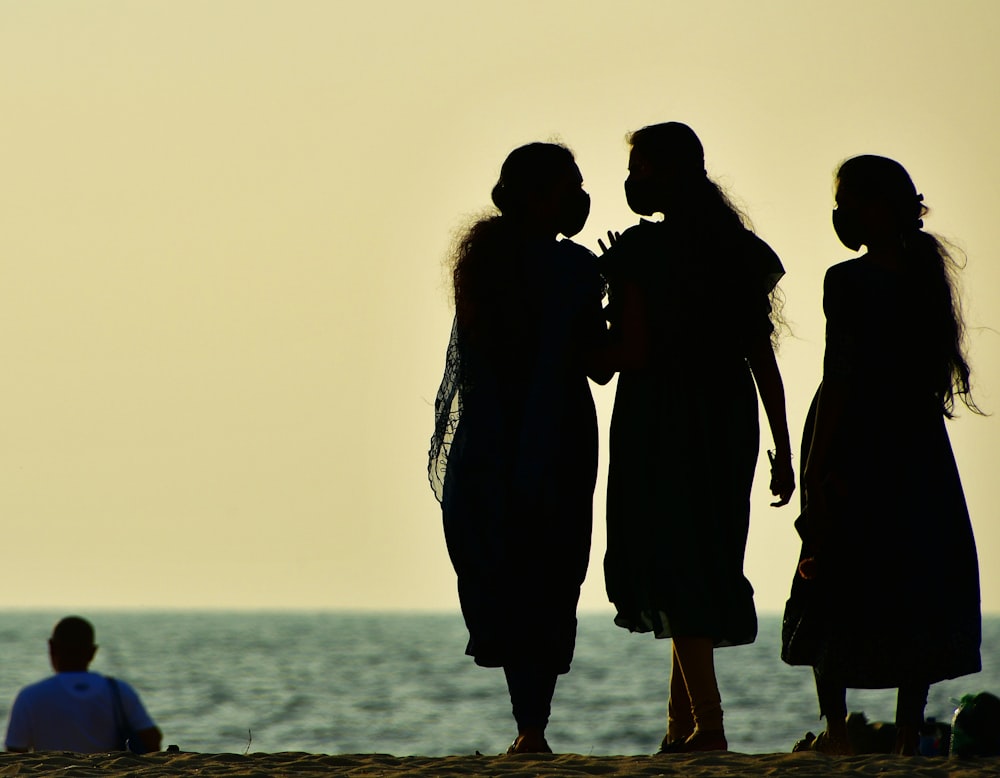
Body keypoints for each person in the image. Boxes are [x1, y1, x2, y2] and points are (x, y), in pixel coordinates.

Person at [598, 122, 795, 753]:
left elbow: (620, 353)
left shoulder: (639, 252)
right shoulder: (736, 249)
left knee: (673, 565)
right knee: (702, 562)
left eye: (639, 168)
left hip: (659, 417)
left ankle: (706, 726)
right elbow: (759, 354)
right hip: (726, 417)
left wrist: (596, 297)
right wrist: (783, 445)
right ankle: (679, 728)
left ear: (663, 170)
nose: (631, 181)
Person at [781, 154, 981, 755]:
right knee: (911, 580)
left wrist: (817, 465)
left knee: (832, 575)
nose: (838, 212)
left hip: (856, 443)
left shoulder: (847, 280)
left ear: (873, 207)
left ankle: (837, 729)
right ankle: (906, 732)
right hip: (916, 451)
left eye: (845, 200)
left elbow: (839, 377)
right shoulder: (924, 277)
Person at [428, 142, 611, 754]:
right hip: (555, 441)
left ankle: (526, 727)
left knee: (508, 577)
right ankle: (534, 728)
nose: (582, 199)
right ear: (540, 197)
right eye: (571, 188)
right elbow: (599, 366)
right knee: (552, 578)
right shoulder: (576, 270)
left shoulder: (481, 260)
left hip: (488, 444)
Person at [5, 616, 162, 753]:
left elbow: (15, 749)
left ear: (52, 647)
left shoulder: (30, 695)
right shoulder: (118, 690)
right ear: (92, 652)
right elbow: (152, 738)